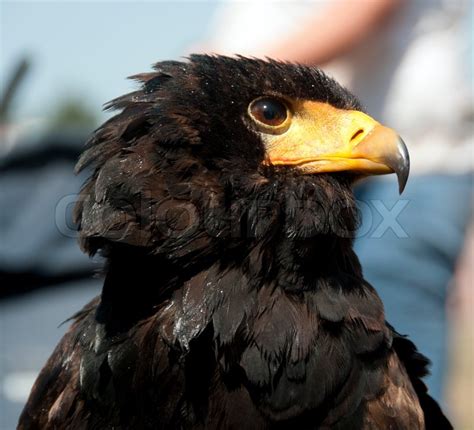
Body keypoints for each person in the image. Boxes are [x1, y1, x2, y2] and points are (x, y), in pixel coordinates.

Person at [202, 0, 473, 403]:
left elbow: (363, 10)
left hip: (411, 159)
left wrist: (222, 88)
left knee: (389, 349)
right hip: (270, 166)